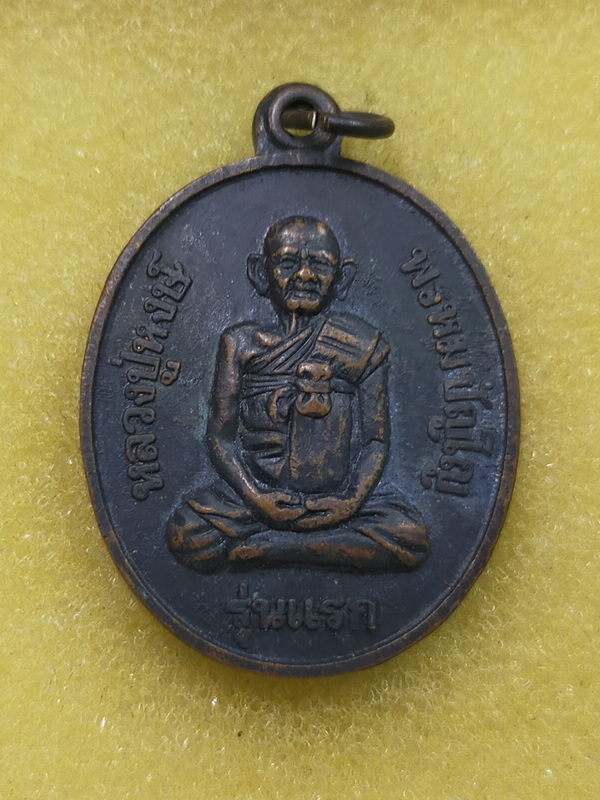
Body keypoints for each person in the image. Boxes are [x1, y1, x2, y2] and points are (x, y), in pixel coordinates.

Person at [167, 216, 429, 571]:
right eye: (288, 262)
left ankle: (278, 549)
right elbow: (220, 438)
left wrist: (351, 501)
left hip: (336, 499)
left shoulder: (363, 345)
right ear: (260, 273)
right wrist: (256, 498)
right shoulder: (241, 344)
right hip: (257, 500)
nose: (305, 275)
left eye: (320, 264)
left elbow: (376, 440)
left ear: (342, 278)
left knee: (410, 535)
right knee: (185, 533)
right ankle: (324, 548)